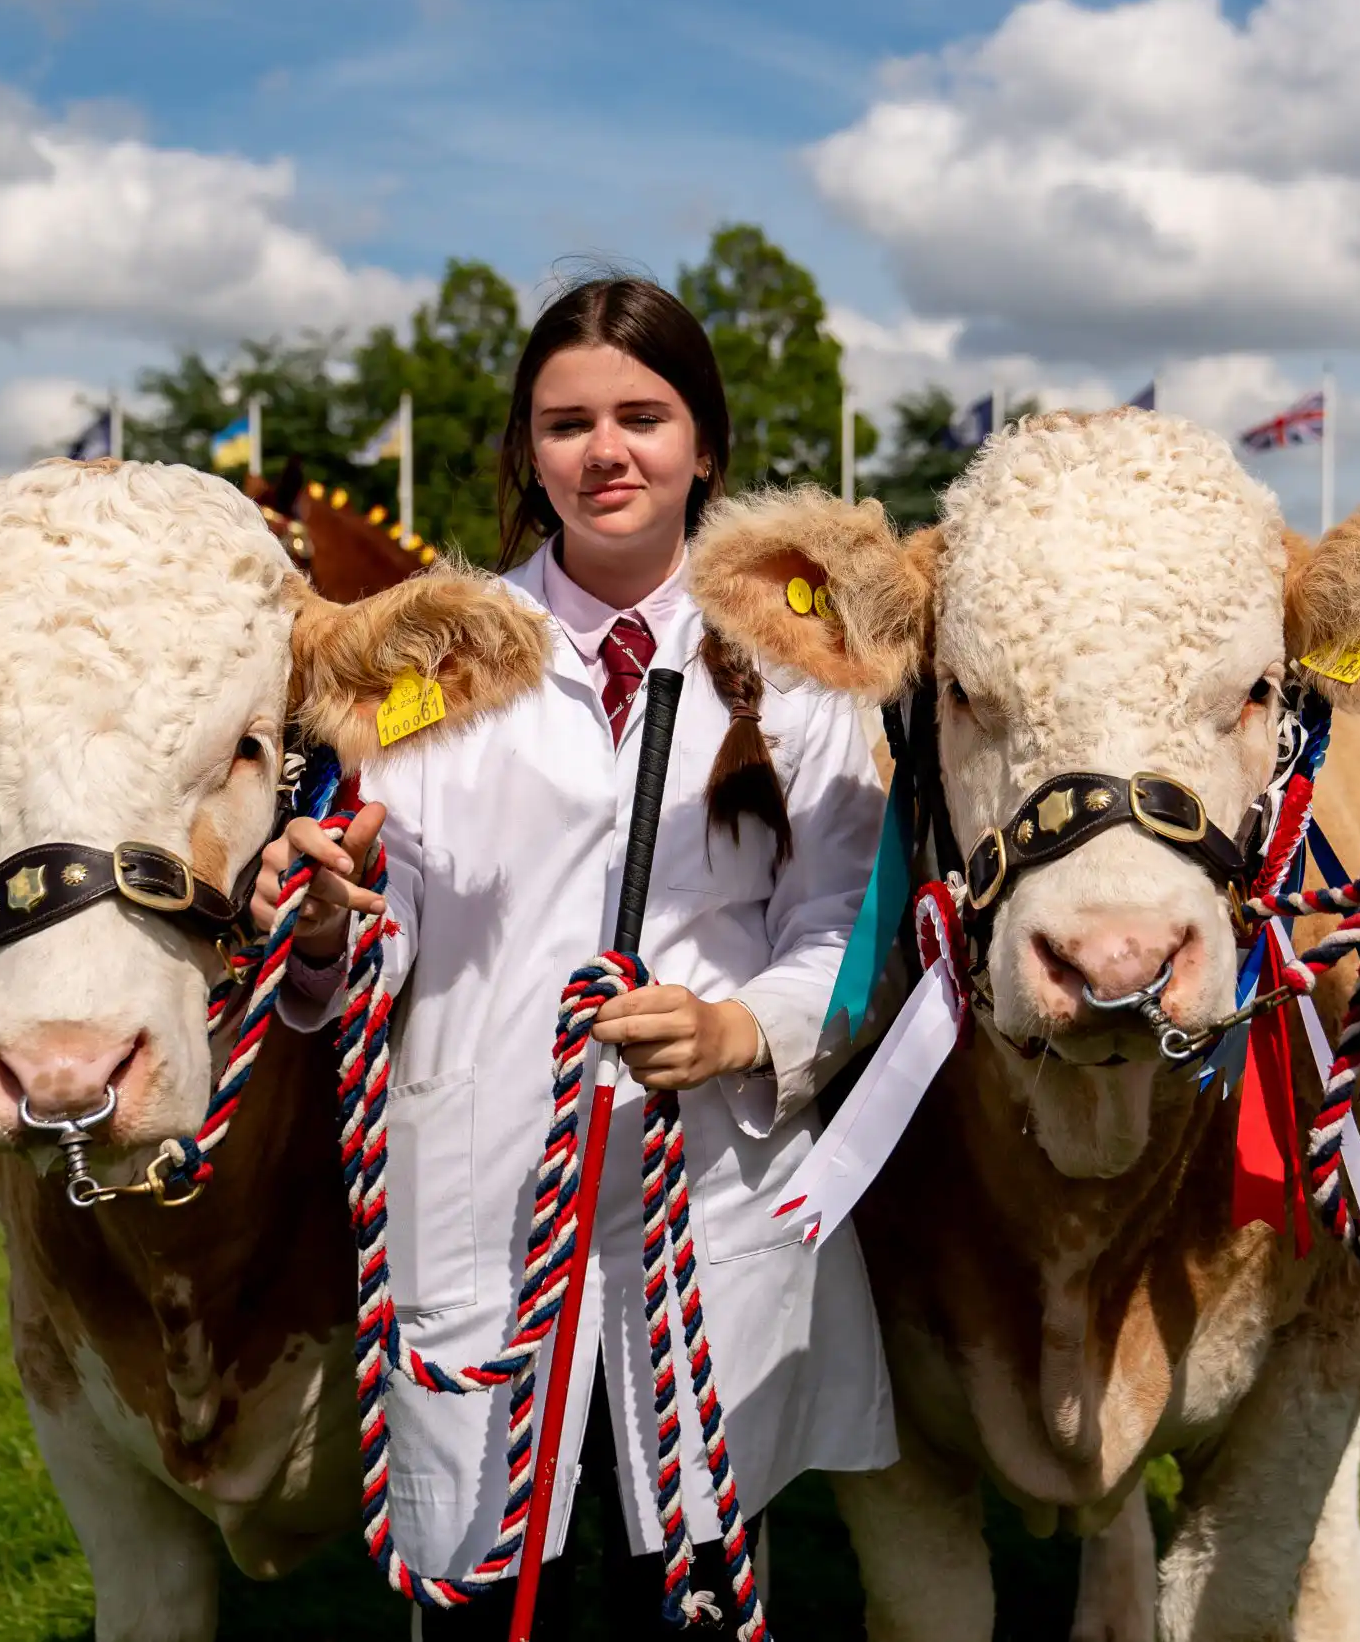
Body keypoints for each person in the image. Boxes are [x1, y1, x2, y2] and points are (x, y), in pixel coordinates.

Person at [253, 276, 893, 1636]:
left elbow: (844, 932)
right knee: (489, 1595)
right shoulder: (420, 663)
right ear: (528, 454)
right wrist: (326, 919)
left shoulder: (800, 665)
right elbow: (383, 922)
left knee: (694, 1587)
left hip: (706, 1187)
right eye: (567, 424)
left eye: (641, 418)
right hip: (486, 1184)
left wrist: (737, 1029)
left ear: (704, 447)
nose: (606, 452)